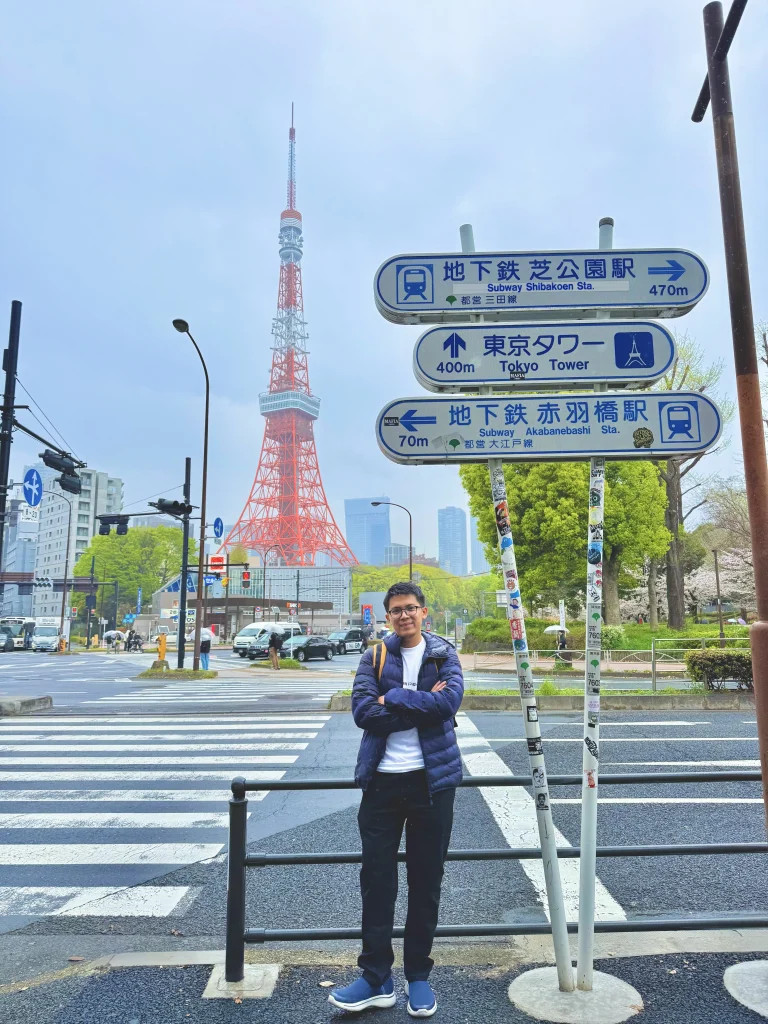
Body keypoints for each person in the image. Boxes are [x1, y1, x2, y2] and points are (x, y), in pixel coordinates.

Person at [328, 582, 464, 1018]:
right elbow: (363, 712)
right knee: (377, 881)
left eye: (411, 608)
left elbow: (450, 703)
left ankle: (418, 977)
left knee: (426, 882)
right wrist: (424, 701)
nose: (404, 615)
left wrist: (398, 697)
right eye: (396, 610)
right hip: (382, 783)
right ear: (387, 617)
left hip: (432, 783)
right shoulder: (374, 656)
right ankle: (375, 978)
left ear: (424, 612)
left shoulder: (444, 654)